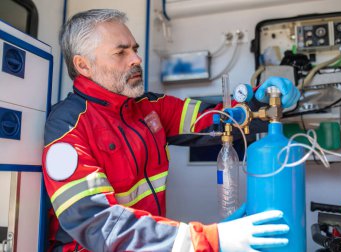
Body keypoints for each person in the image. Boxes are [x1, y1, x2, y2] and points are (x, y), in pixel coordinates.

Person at [42, 9, 300, 252]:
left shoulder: (149, 108)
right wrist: (210, 240)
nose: (136, 59)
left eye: (135, 49)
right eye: (121, 52)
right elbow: (97, 223)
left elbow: (222, 119)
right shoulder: (66, 127)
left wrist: (262, 103)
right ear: (84, 65)